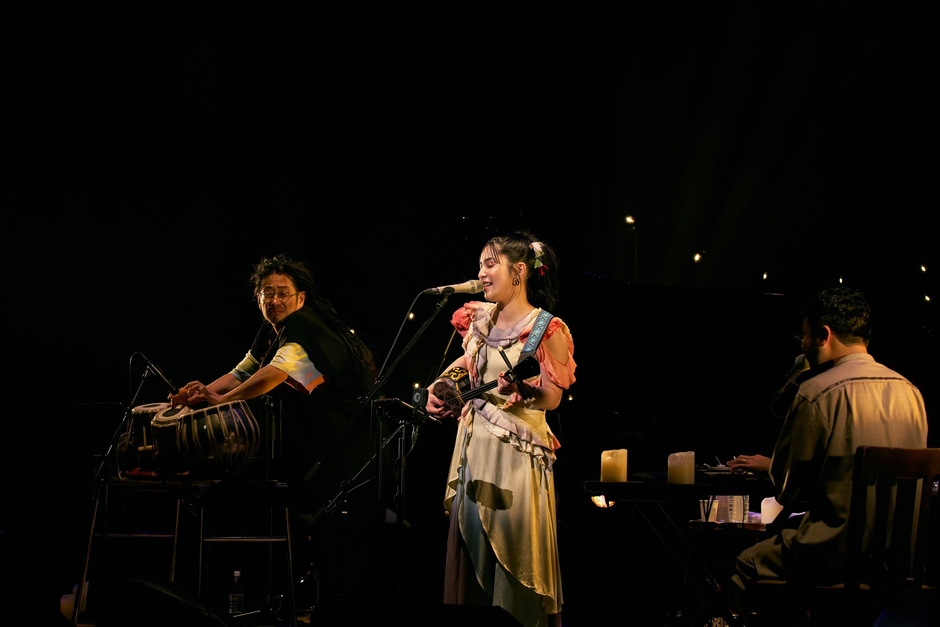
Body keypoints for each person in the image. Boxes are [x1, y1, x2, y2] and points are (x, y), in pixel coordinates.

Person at [169, 253, 383, 607]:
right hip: (324, 448)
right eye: (267, 293)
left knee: (339, 545)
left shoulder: (304, 325)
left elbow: (275, 372)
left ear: (301, 298)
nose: (275, 300)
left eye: (283, 293)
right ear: (258, 299)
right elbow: (243, 371)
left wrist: (220, 401)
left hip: (347, 451)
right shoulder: (273, 331)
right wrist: (198, 394)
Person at [726, 286, 928, 623]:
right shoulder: (912, 393)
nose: (802, 345)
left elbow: (789, 492)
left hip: (835, 557)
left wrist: (776, 468)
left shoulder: (816, 393)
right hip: (897, 560)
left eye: (804, 336)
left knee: (745, 565)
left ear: (824, 334)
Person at [425, 231, 577, 627]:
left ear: (519, 272)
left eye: (490, 264)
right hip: (474, 450)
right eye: (480, 265)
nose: (481, 273)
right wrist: (439, 385)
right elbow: (466, 361)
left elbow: (552, 398)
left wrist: (525, 390)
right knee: (471, 546)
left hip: (516, 456)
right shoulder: (479, 319)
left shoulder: (545, 328)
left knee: (513, 549)